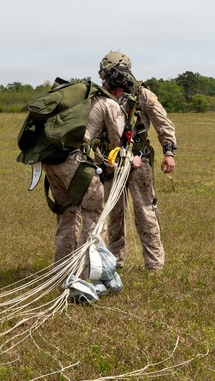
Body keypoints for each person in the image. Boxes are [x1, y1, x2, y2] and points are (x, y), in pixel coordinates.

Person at [98, 51, 177, 273]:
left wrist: (169, 152)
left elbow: (163, 123)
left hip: (138, 162)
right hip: (110, 163)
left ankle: (154, 265)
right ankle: (115, 262)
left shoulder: (143, 94)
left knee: (145, 212)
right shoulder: (100, 96)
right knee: (114, 214)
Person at [43, 77, 129, 270]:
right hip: (74, 161)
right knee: (93, 215)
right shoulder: (110, 104)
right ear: (119, 91)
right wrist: (114, 164)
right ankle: (84, 273)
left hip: (51, 160)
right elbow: (116, 142)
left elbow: (87, 141)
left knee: (67, 213)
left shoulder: (81, 101)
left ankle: (62, 269)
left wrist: (100, 160)